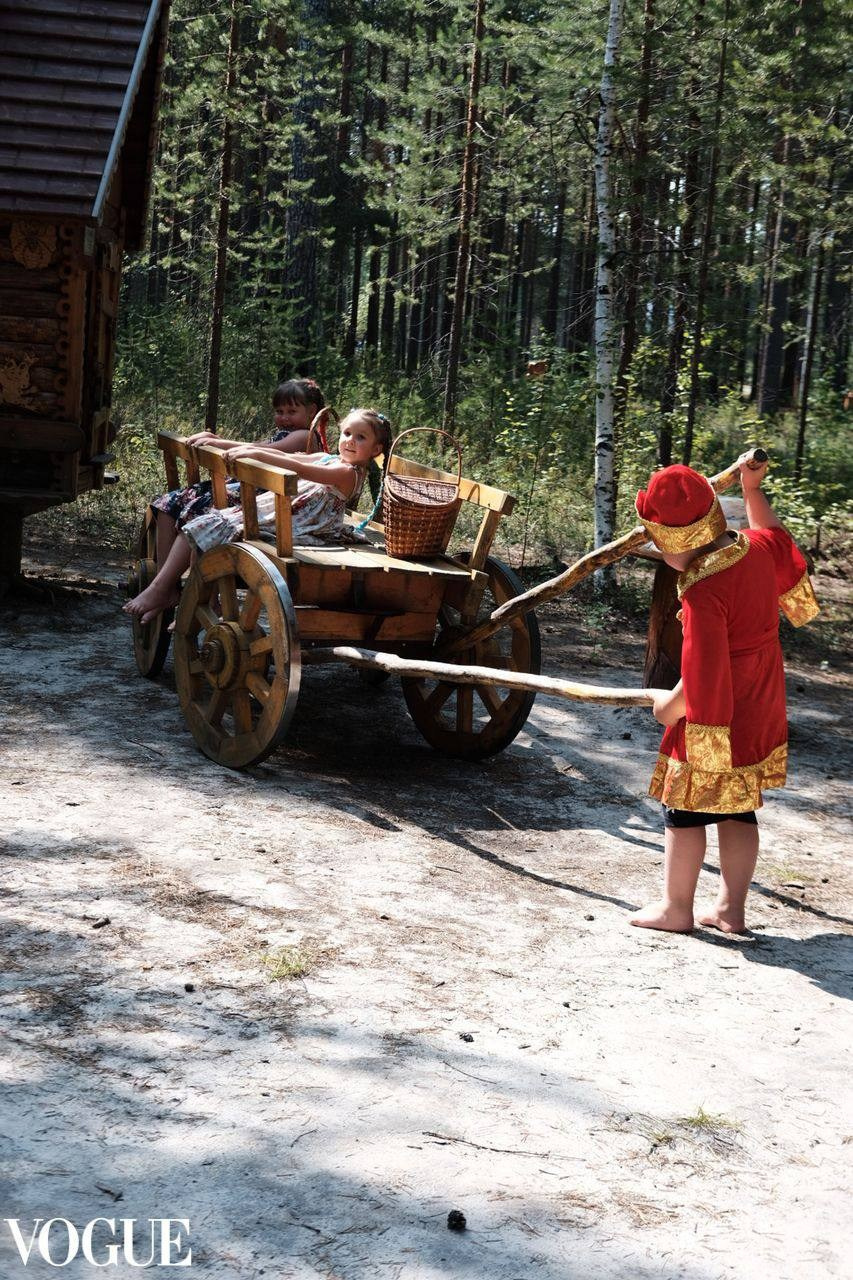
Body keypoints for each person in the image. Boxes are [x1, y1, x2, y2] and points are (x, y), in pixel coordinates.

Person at [630, 455, 819, 935]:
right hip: (759, 702)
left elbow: (705, 671)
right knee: (738, 807)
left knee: (685, 812)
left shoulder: (702, 590)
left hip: (719, 713)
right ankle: (731, 909)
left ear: (672, 542)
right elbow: (777, 537)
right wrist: (752, 490)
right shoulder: (751, 549)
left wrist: (668, 708)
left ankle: (677, 909)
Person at [124, 409, 392, 623]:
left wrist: (256, 453)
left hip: (304, 525)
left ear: (376, 449)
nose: (349, 441)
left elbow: (297, 466)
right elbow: (286, 454)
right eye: (346, 433)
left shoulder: (350, 474)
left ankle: (174, 592)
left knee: (208, 525)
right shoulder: (328, 459)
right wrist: (231, 444)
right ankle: (188, 596)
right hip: (285, 514)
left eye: (360, 437)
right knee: (200, 526)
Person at [124, 378, 325, 623]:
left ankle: (183, 591)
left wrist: (218, 441)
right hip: (247, 487)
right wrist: (216, 440)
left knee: (195, 512)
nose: (284, 418)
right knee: (167, 505)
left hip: (268, 495)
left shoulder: (305, 436)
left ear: (312, 411)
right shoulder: (289, 431)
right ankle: (167, 586)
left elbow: (265, 449)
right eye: (279, 412)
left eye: (292, 411)